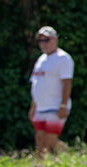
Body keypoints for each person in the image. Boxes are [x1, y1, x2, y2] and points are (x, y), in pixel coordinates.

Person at [29, 26, 73, 155]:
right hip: (41, 107)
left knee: (50, 142)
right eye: (40, 41)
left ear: (55, 40)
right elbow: (36, 84)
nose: (43, 44)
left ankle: (68, 153)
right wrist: (33, 106)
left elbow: (67, 83)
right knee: (40, 140)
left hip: (55, 105)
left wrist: (63, 105)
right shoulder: (41, 59)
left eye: (46, 40)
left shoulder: (63, 58)